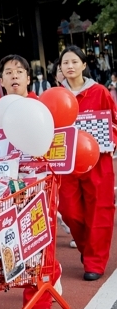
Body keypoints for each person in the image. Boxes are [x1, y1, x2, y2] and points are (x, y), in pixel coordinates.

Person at [0, 54, 63, 309]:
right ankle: (53, 272)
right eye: (8, 72)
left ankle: (38, 307)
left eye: (19, 71)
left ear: (28, 78)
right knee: (15, 244)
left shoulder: (43, 107)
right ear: (0, 81)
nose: (14, 75)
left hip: (40, 187)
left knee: (38, 242)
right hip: (6, 191)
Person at [57, 45, 117, 281]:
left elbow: (114, 121)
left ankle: (95, 262)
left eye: (74, 61)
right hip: (67, 163)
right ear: (60, 68)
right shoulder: (56, 94)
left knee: (99, 211)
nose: (70, 66)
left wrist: (109, 140)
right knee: (69, 210)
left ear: (83, 65)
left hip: (97, 161)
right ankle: (87, 248)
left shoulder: (99, 92)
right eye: (65, 62)